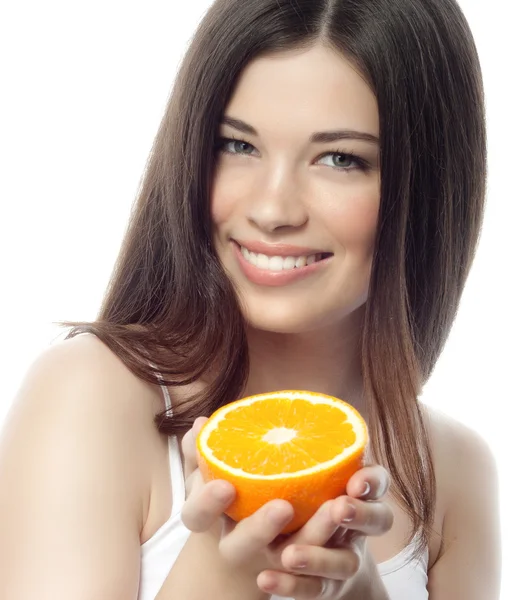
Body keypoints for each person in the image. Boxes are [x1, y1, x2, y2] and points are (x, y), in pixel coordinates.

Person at [0, 0, 501, 598]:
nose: (272, 209)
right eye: (239, 145)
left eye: (340, 159)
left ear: (429, 188)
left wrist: (359, 589)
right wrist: (221, 571)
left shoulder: (453, 471)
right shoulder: (91, 395)